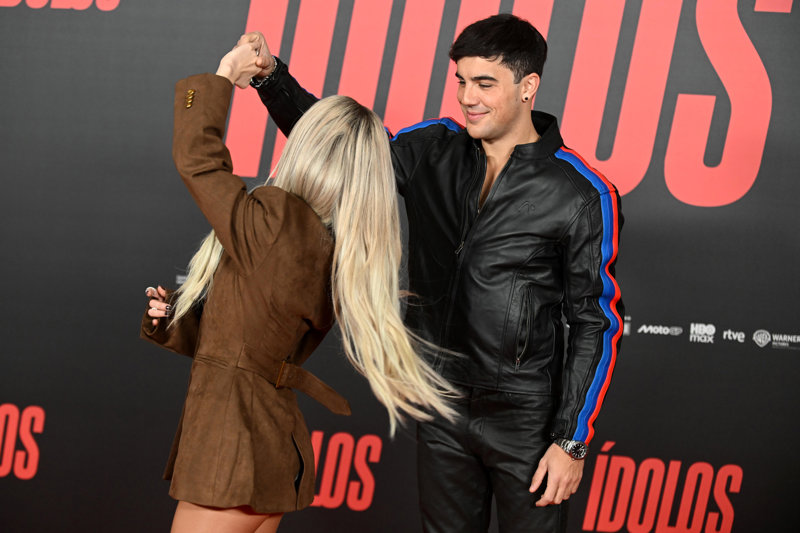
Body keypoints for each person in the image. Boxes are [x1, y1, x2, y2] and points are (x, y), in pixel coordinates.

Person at [242, 12, 624, 533]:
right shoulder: (433, 148)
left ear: (528, 86)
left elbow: (595, 323)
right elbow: (341, 149)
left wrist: (571, 440)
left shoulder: (581, 192)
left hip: (526, 418)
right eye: (462, 81)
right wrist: (271, 79)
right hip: (440, 401)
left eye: (485, 84)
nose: (468, 98)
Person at [141, 42, 456, 533]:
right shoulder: (337, 253)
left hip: (230, 452)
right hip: (271, 453)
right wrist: (175, 320)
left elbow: (198, 161)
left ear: (306, 144)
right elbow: (249, 341)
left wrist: (223, 75)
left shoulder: (278, 219)